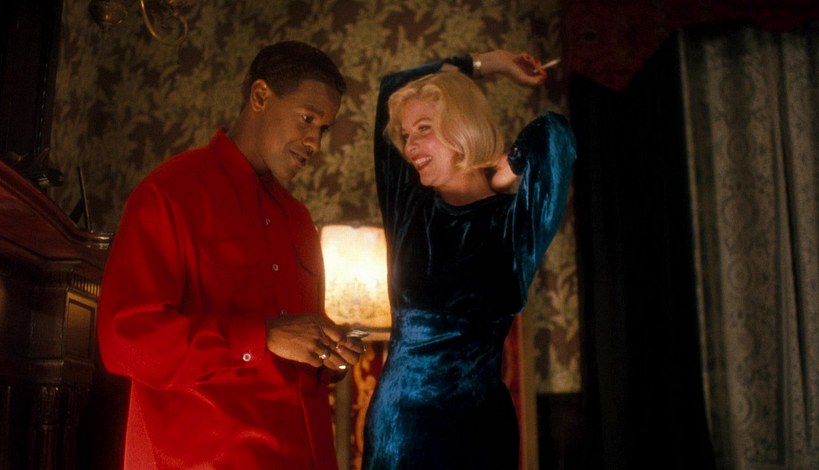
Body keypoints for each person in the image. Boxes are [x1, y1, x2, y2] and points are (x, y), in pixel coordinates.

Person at [97, 40, 364, 470]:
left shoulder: (298, 220)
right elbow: (125, 341)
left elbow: (291, 349)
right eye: (307, 118)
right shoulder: (169, 194)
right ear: (260, 96)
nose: (315, 141)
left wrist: (326, 356)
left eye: (324, 129)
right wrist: (262, 336)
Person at [362, 50, 577, 469]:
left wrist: (512, 163)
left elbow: (556, 135)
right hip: (401, 428)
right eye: (406, 135)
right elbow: (393, 85)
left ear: (462, 125)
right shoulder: (408, 204)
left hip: (481, 430)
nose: (411, 146)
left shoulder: (513, 224)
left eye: (425, 129)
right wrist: (490, 64)